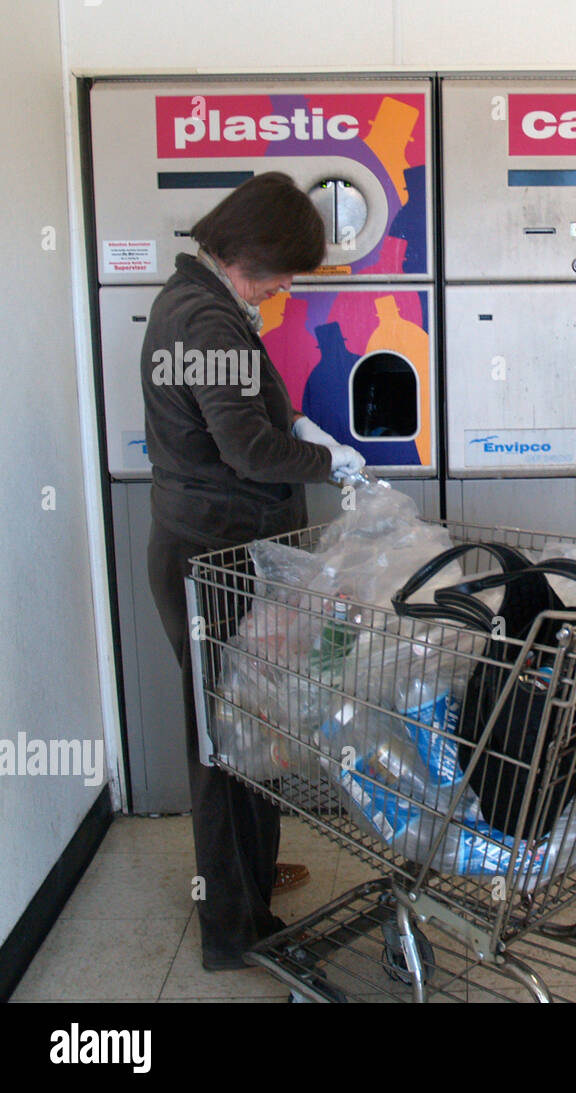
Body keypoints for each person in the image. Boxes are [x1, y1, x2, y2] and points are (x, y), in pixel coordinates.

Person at [141, 171, 365, 971]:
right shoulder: (205, 320)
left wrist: (292, 419)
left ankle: (252, 876)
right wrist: (325, 455)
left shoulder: (199, 303)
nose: (287, 286)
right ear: (254, 251)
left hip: (215, 549)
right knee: (226, 739)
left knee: (247, 722)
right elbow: (245, 449)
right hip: (215, 560)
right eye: (286, 269)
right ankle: (235, 927)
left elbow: (244, 420)